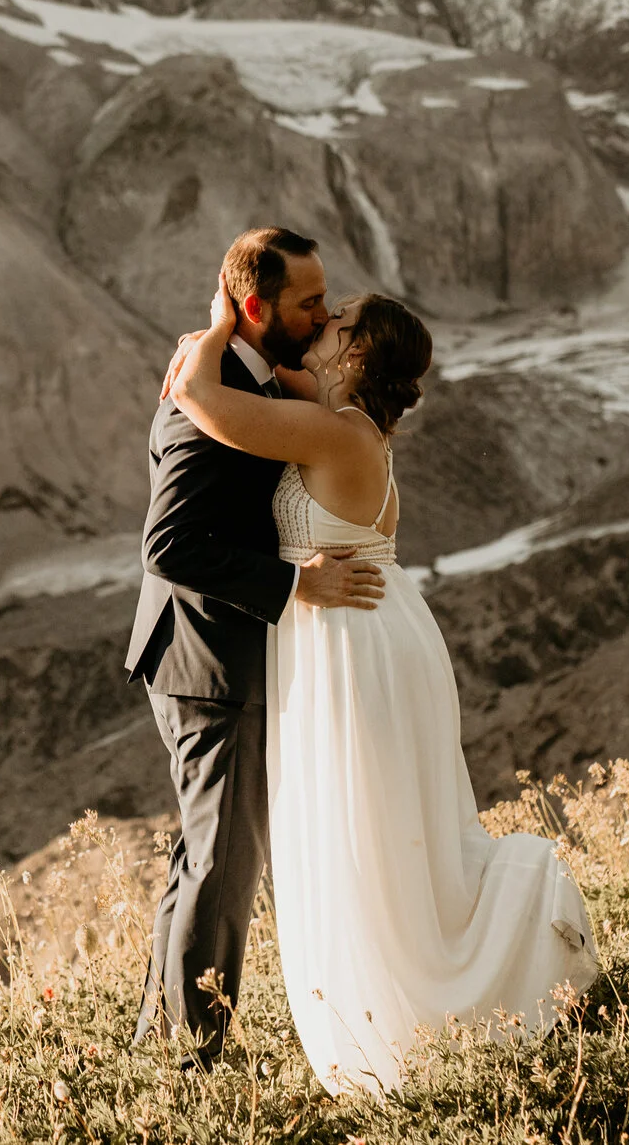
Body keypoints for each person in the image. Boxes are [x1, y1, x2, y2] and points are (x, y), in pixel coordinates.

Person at [165, 280, 600, 1095]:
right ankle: (408, 1009)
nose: (325, 324)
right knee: (387, 835)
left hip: (352, 646)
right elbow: (270, 381)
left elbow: (198, 396)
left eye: (342, 322)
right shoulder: (348, 421)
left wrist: (221, 323)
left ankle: (423, 1010)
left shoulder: (334, 434)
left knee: (364, 834)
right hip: (373, 636)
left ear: (361, 353)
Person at [126, 228, 389, 1067]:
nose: (321, 314)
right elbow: (167, 544)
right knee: (223, 862)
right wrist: (295, 587)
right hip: (209, 658)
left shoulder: (243, 372)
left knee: (204, 852)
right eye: (308, 301)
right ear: (255, 306)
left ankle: (162, 1040)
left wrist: (210, 332)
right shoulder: (199, 400)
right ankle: (199, 1057)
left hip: (220, 654)